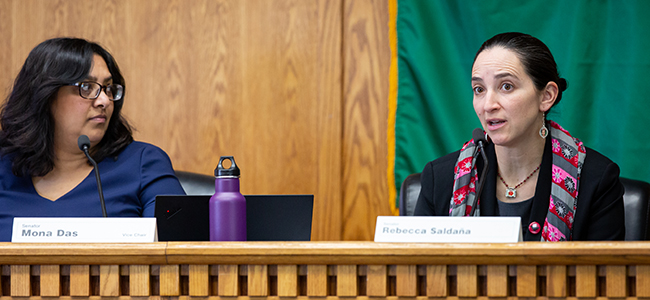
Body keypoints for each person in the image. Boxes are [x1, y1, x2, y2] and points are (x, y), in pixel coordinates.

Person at [413, 32, 625, 241]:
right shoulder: (441, 179)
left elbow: (604, 275)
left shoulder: (597, 181)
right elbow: (420, 271)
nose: (488, 105)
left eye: (506, 86)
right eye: (479, 89)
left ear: (547, 96)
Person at [0, 37, 186, 241]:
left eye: (108, 88)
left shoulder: (144, 163)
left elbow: (178, 252)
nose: (104, 100)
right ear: (45, 95)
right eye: (86, 87)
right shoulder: (5, 168)